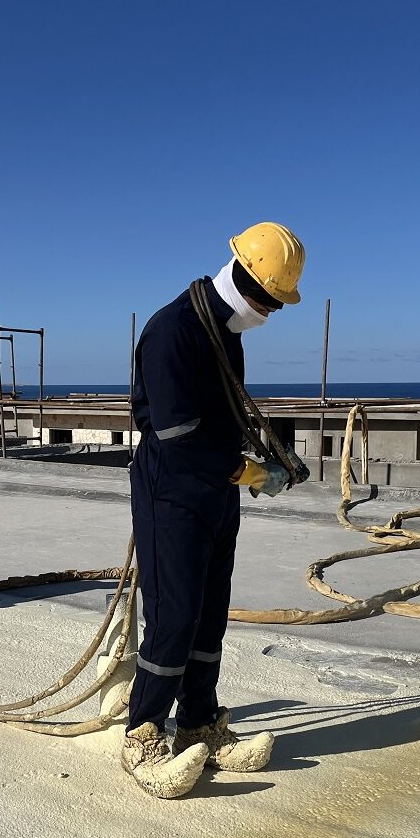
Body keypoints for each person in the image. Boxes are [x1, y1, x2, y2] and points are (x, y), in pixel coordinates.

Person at [122, 223, 306, 798]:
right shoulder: (172, 332)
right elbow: (178, 436)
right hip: (172, 495)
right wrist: (250, 472)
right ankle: (143, 734)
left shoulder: (223, 332)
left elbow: (222, 414)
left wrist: (258, 460)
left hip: (216, 497)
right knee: (173, 617)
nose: (271, 312)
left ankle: (199, 723)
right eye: (269, 301)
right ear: (245, 278)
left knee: (209, 616)